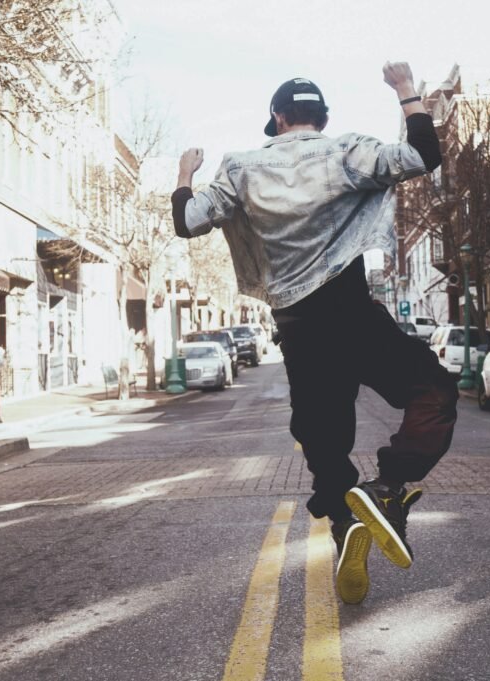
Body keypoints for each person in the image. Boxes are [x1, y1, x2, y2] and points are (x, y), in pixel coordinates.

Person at [172, 62, 458, 604]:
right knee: (435, 392)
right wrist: (405, 91)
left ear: (277, 119)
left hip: (299, 330)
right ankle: (388, 487)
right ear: (321, 118)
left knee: (326, 448)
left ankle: (347, 523)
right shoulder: (347, 151)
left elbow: (187, 222)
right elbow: (424, 155)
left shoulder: (241, 168)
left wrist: (186, 173)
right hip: (352, 314)